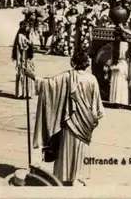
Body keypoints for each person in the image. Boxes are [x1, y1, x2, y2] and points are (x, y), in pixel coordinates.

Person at [24, 51, 105, 186]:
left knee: (67, 148)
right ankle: (78, 177)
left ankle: (64, 176)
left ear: (73, 63)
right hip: (85, 123)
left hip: (71, 121)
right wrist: (94, 118)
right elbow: (97, 105)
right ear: (87, 65)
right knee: (80, 148)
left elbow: (47, 84)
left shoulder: (68, 76)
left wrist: (31, 75)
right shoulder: (92, 79)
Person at [108, 27, 131, 108]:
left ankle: (114, 101)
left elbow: (112, 56)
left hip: (116, 64)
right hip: (123, 64)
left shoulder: (114, 44)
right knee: (122, 84)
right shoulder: (125, 44)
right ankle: (121, 102)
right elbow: (127, 57)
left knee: (115, 82)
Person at [11, 21, 35, 99]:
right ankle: (21, 93)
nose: (28, 28)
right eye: (27, 27)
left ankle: (28, 93)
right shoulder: (20, 36)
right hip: (22, 58)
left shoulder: (27, 35)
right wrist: (29, 41)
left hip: (27, 57)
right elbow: (24, 46)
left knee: (28, 74)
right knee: (22, 74)